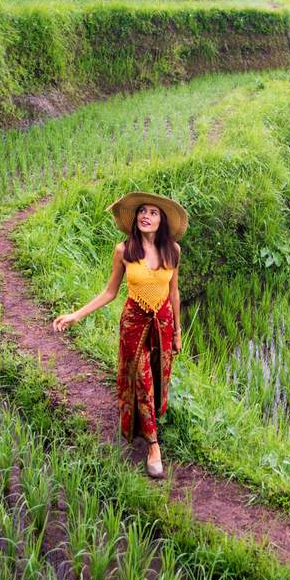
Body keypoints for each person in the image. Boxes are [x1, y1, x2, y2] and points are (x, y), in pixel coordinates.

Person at [52, 192, 186, 478]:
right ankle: (153, 446)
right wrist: (76, 315)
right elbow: (110, 292)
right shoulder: (124, 250)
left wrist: (177, 332)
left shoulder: (173, 250)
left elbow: (174, 294)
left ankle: (147, 422)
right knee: (141, 379)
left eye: (153, 213)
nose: (146, 216)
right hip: (134, 324)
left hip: (162, 324)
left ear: (161, 221)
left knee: (158, 378)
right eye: (142, 211)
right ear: (135, 218)